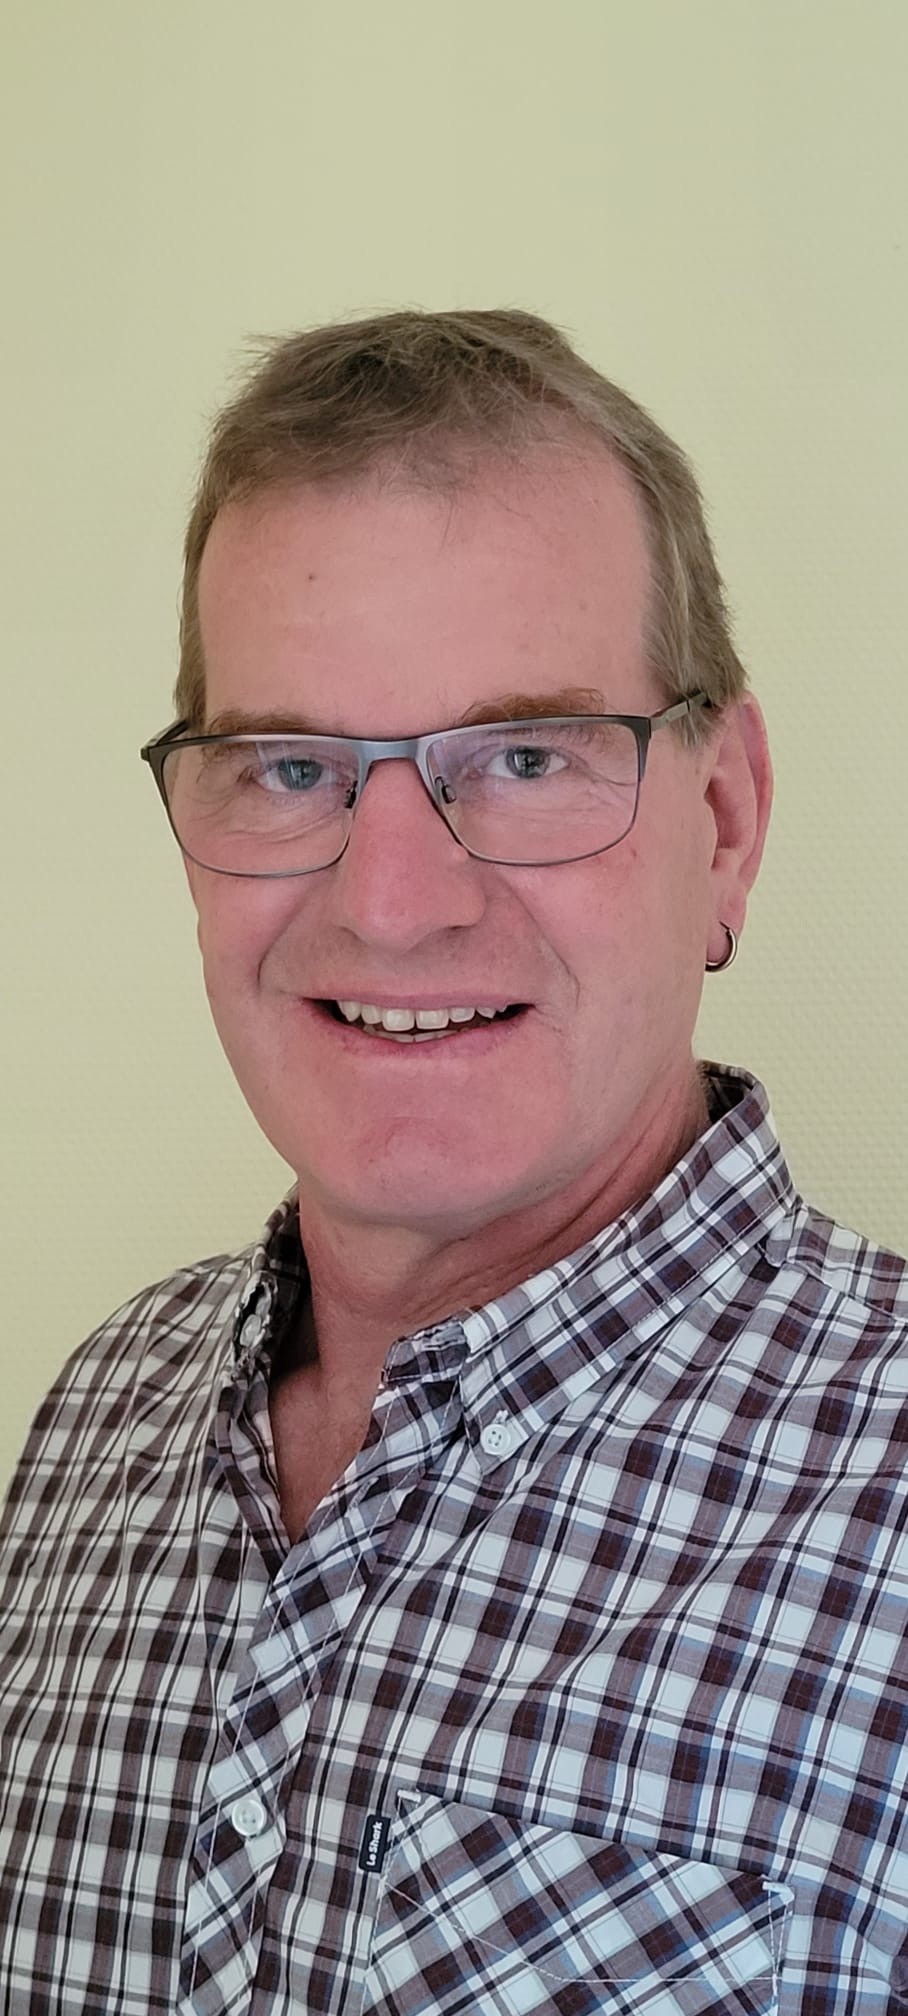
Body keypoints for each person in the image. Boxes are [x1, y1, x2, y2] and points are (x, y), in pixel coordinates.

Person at [0, 308, 905, 2016]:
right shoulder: (93, 1422)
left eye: (526, 756)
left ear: (724, 824)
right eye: (290, 768)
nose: (393, 903)